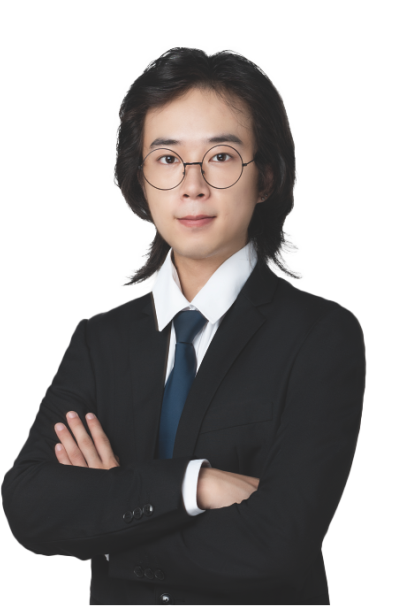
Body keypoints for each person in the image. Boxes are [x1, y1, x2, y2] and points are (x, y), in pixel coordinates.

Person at [1, 45, 366, 606]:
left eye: (221, 156)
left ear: (265, 176)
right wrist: (196, 484)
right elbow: (29, 505)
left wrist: (111, 521)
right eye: (168, 159)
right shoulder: (100, 342)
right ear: (140, 178)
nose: (193, 186)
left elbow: (277, 543)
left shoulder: (321, 337)